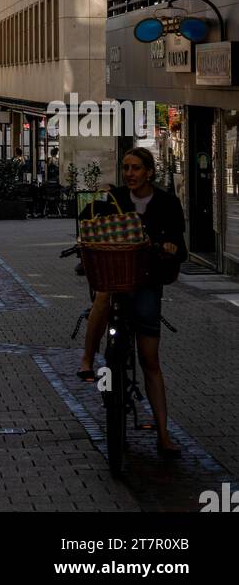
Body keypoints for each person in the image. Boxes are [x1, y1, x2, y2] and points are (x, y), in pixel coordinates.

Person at [77, 147, 187, 459]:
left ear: (150, 171)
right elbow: (88, 225)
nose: (130, 174)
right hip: (116, 278)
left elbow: (182, 250)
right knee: (102, 295)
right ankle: (87, 359)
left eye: (136, 168)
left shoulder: (167, 203)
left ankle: (163, 435)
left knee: (150, 361)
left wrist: (170, 248)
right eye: (126, 168)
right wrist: (96, 202)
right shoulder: (116, 199)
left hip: (148, 279)